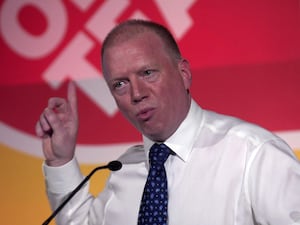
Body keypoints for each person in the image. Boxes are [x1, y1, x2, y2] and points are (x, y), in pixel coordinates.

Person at [36, 19, 300, 225]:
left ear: (183, 74)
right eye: (120, 84)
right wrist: (60, 161)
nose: (137, 94)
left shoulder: (253, 155)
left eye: (148, 73)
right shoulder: (123, 170)